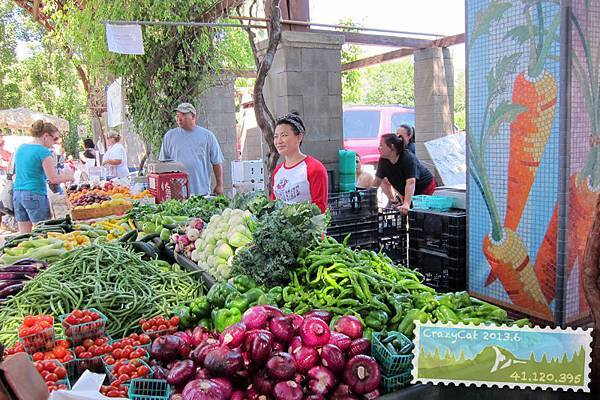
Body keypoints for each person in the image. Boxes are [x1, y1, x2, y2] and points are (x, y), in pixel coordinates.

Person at [13, 120, 73, 233]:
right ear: (46, 136)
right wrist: (69, 176)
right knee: (43, 233)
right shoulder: (43, 151)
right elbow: (53, 178)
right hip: (34, 194)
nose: (55, 143)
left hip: (18, 194)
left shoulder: (21, 148)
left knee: (24, 235)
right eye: (55, 139)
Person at [159, 103, 224, 195]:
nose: (179, 119)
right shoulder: (169, 136)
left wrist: (219, 185)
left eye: (183, 115)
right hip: (176, 194)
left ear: (193, 116)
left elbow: (217, 162)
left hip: (201, 192)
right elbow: (163, 163)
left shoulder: (207, 136)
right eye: (177, 116)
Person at [270, 112, 328, 213]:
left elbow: (320, 209)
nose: (278, 141)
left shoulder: (314, 168)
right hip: (282, 229)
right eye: (276, 136)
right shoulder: (277, 171)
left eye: (284, 135)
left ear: (299, 137)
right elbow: (273, 206)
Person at [373, 134, 435, 215]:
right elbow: (376, 182)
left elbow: (411, 182)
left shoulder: (408, 158)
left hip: (425, 189)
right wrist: (367, 196)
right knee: (410, 218)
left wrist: (406, 204)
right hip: (407, 192)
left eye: (381, 145)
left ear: (392, 147)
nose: (378, 148)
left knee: (424, 217)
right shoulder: (383, 161)